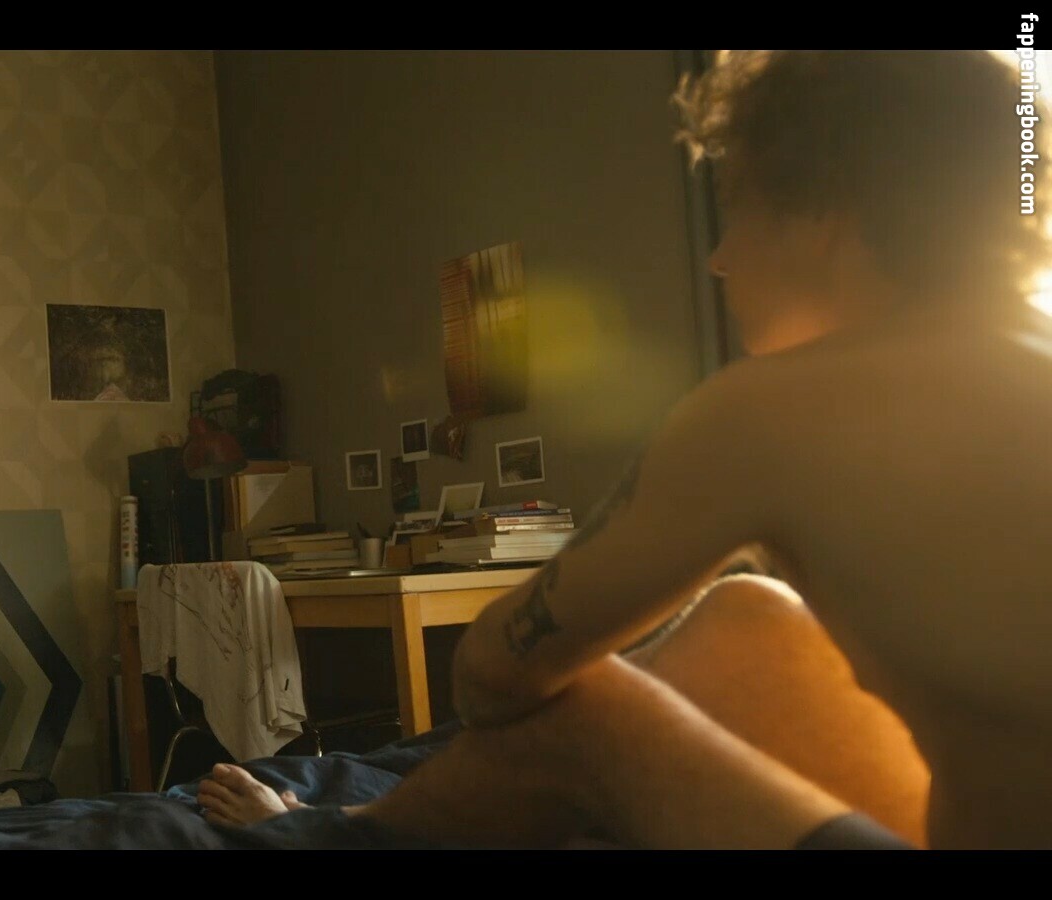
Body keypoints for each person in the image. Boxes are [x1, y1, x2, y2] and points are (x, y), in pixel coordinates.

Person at [202, 50, 1052, 850]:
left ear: (824, 213)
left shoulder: (783, 405)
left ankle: (333, 834)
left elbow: (493, 676)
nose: (718, 259)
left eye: (739, 207)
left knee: (587, 710)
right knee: (750, 615)